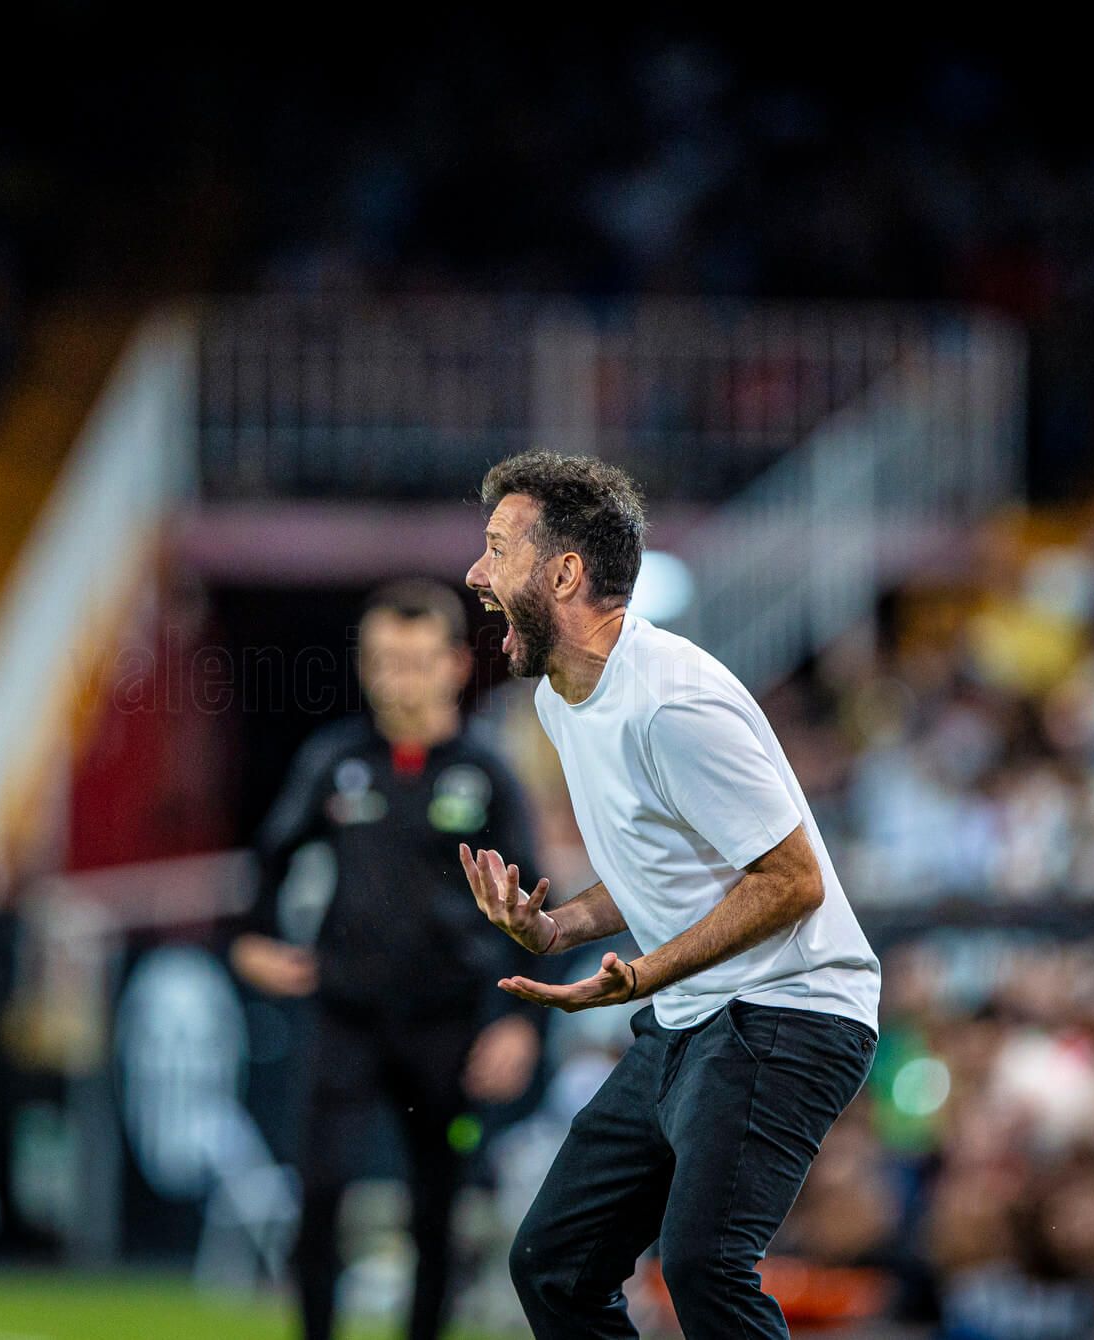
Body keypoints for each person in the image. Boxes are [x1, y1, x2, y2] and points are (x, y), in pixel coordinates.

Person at [460, 452, 881, 1340]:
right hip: (692, 1017)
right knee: (554, 1265)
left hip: (791, 1009)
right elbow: (665, 864)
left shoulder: (672, 701)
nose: (476, 574)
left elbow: (793, 881)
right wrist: (557, 925)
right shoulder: (562, 699)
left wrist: (647, 973)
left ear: (563, 573)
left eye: (497, 548)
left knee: (702, 1266)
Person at [231, 579, 546, 1340]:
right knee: (320, 1193)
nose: (396, 679)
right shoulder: (336, 759)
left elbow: (538, 907)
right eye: (381, 661)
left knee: (438, 1207)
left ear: (455, 665)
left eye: (414, 661)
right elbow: (268, 861)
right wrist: (250, 944)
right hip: (346, 1014)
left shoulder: (487, 773)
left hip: (450, 1022)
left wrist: (518, 1022)